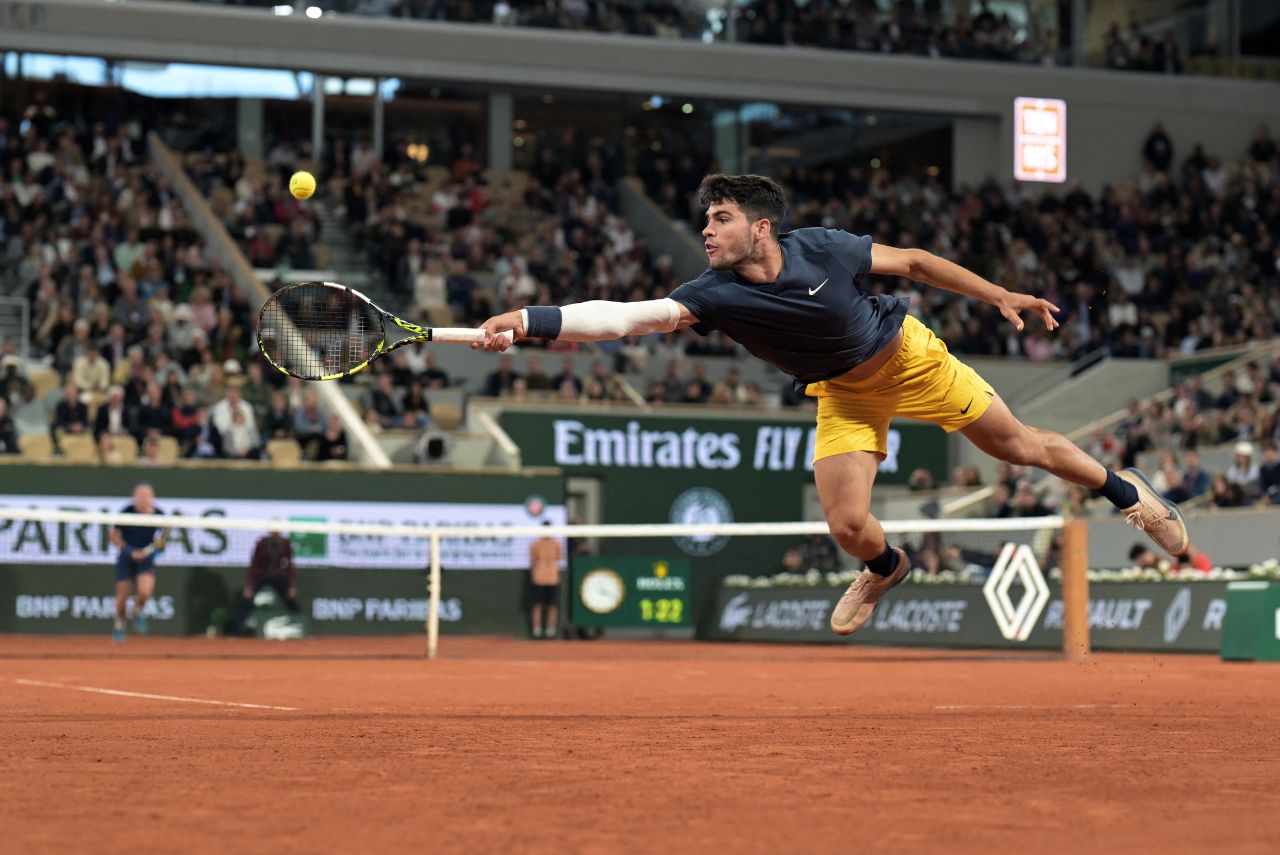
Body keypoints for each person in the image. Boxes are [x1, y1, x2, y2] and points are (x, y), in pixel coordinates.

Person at [477, 173, 1190, 636]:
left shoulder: (821, 247)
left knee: (1022, 447)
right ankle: (886, 569)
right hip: (844, 395)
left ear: (759, 228)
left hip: (911, 359)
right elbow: (625, 318)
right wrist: (531, 319)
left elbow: (911, 261)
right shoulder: (711, 292)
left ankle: (1132, 496)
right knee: (848, 524)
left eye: (719, 218)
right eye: (705, 219)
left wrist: (998, 293)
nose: (706, 230)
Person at [108, 482, 166, 643]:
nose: (142, 499)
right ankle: (119, 625)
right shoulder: (126, 513)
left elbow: (163, 540)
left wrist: (148, 551)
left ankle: (137, 611)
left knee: (145, 592)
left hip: (146, 559)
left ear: (152, 498)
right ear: (134, 497)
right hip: (126, 557)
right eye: (139, 496)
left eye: (146, 496)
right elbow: (113, 536)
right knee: (122, 598)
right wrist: (128, 551)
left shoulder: (159, 515)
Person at [231, 528, 299, 636]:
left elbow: (290, 565)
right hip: (262, 576)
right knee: (247, 601)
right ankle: (234, 632)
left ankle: (300, 627)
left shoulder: (286, 544)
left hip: (278, 577)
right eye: (273, 529)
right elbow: (254, 563)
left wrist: (291, 586)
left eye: (278, 529)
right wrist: (249, 585)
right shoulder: (261, 543)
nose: (275, 532)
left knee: (291, 601)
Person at [528, 521, 563, 639]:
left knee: (552, 606)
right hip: (538, 579)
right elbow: (532, 560)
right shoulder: (536, 544)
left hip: (553, 579)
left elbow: (559, 558)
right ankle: (536, 630)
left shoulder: (556, 543)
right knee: (537, 605)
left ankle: (550, 630)